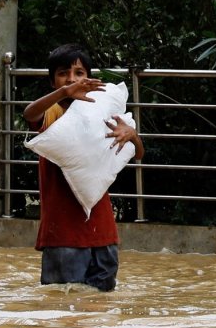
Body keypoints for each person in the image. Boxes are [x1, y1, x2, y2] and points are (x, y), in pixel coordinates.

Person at [22, 42, 143, 293]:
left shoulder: (100, 110)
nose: (71, 79)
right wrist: (64, 94)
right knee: (61, 308)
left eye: (79, 73)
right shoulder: (52, 112)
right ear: (52, 81)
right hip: (63, 234)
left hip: (103, 234)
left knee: (99, 309)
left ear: (89, 77)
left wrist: (132, 135)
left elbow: (139, 154)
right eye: (63, 73)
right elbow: (29, 114)